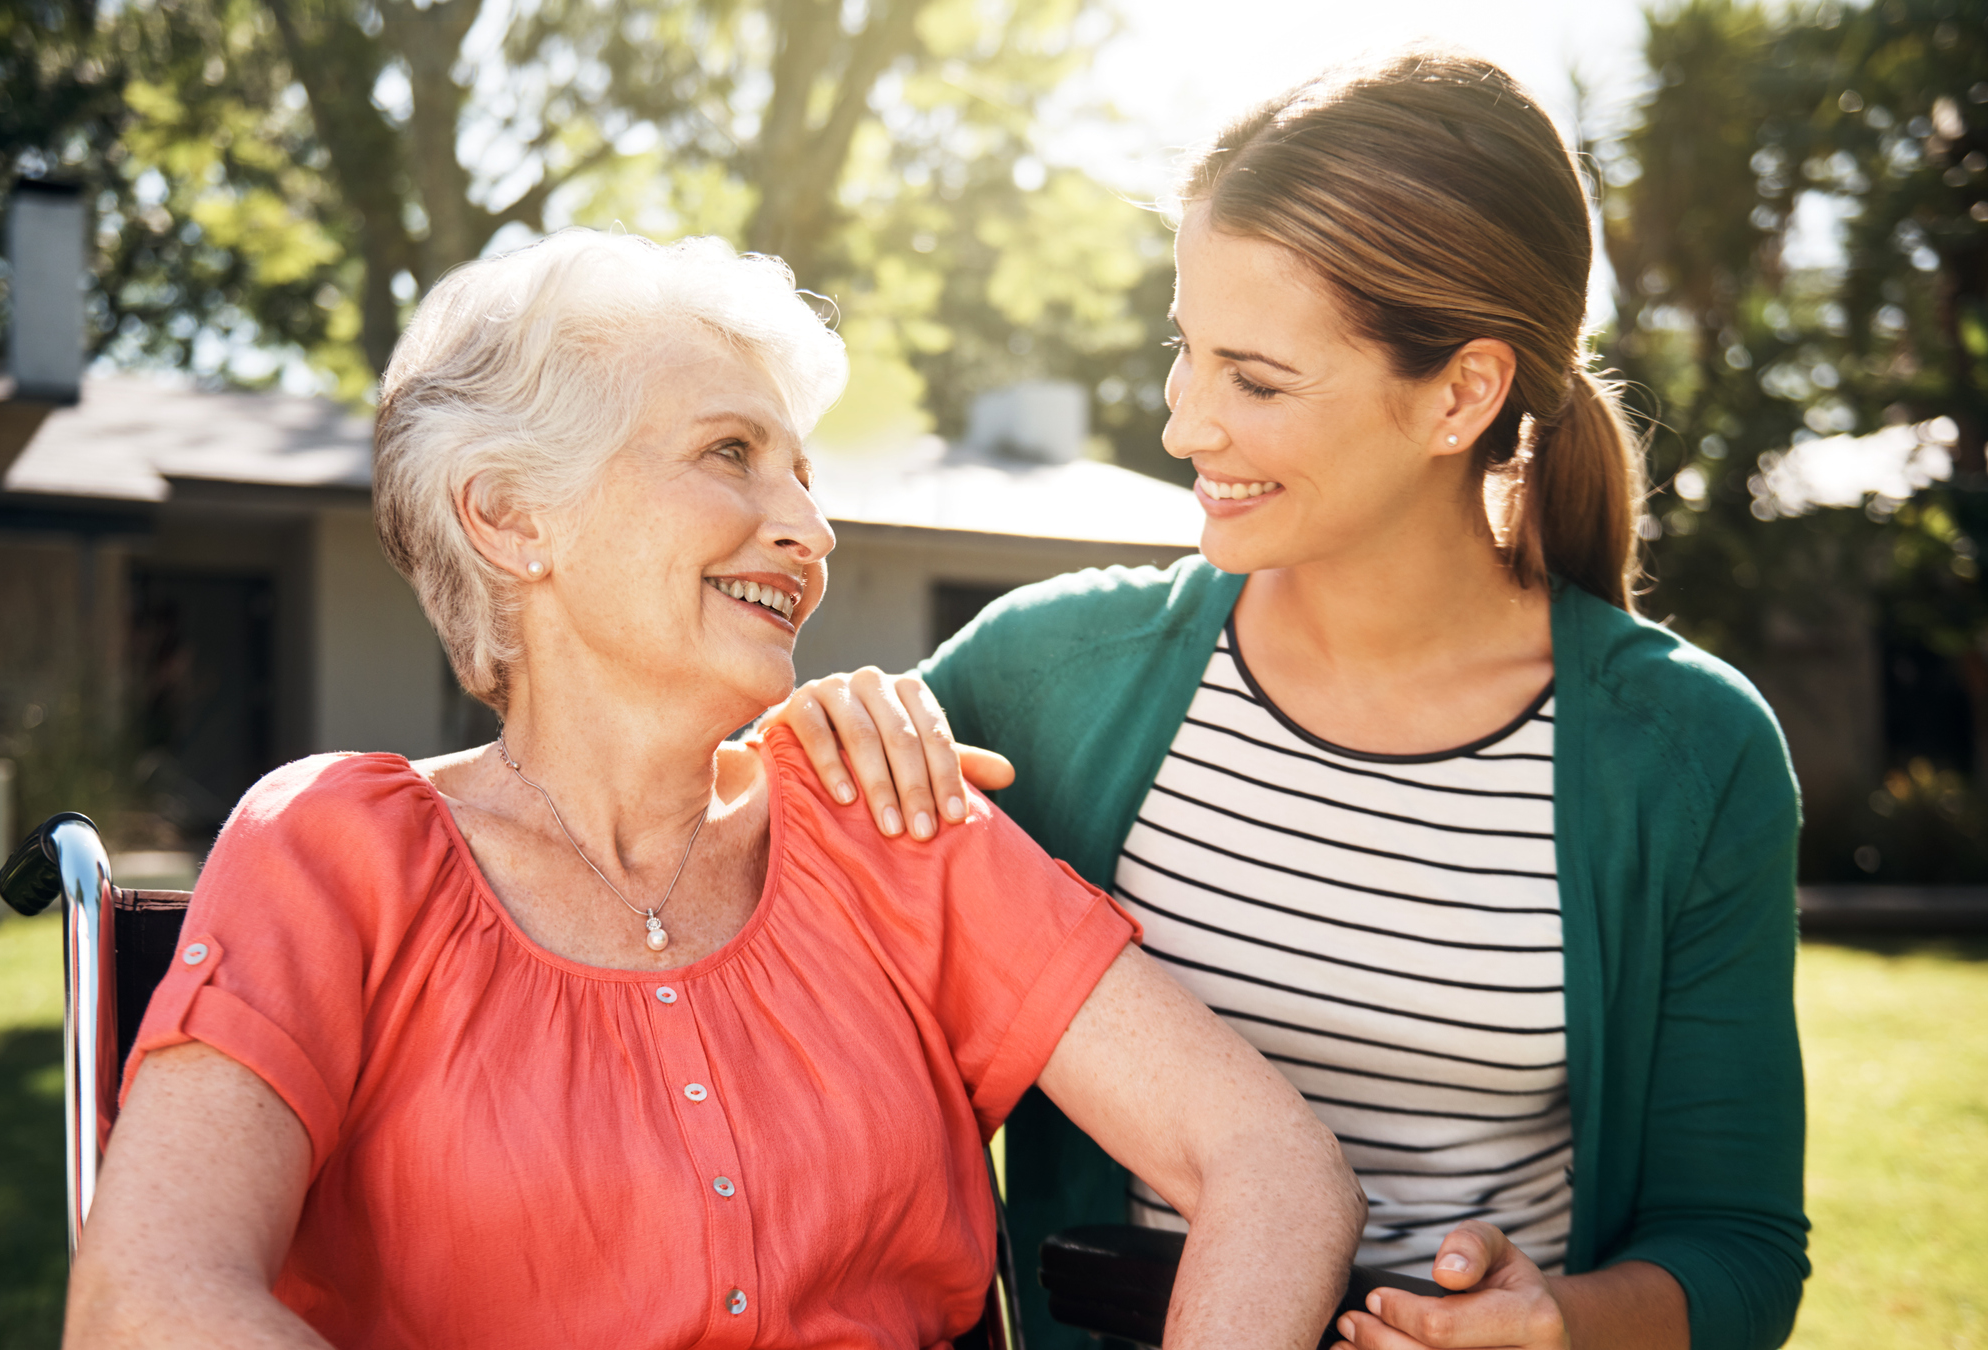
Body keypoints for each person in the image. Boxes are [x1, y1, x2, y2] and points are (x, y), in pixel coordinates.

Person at [62, 230, 1365, 1350]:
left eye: (803, 470)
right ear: (514, 516)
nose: (811, 524)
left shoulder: (888, 822)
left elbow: (1273, 1166)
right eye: (730, 453)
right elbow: (148, 1297)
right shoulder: (336, 853)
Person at [773, 53, 1808, 1350]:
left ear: (1461, 394)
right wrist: (828, 738)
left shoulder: (1690, 756)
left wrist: (1556, 1322)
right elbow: (744, 953)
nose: (1183, 424)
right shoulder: (1039, 678)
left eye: (1256, 380)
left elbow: (1740, 1246)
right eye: (1186, 353)